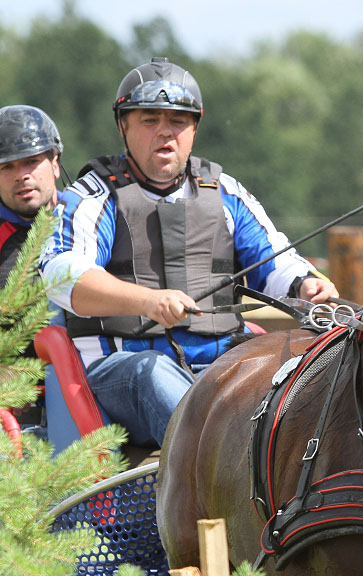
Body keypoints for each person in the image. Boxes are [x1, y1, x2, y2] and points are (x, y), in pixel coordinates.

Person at [40, 57, 338, 448]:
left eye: (177, 122)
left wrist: (306, 286)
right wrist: (146, 301)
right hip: (121, 374)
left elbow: (277, 259)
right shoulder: (94, 196)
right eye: (149, 120)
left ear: (194, 128)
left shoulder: (226, 192)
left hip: (222, 367)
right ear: (123, 126)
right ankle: (232, 470)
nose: (165, 132)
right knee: (152, 372)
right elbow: (62, 274)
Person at [0, 105, 63, 288]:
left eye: (31, 161)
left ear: (55, 164)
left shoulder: (89, 222)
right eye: (6, 167)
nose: (21, 175)